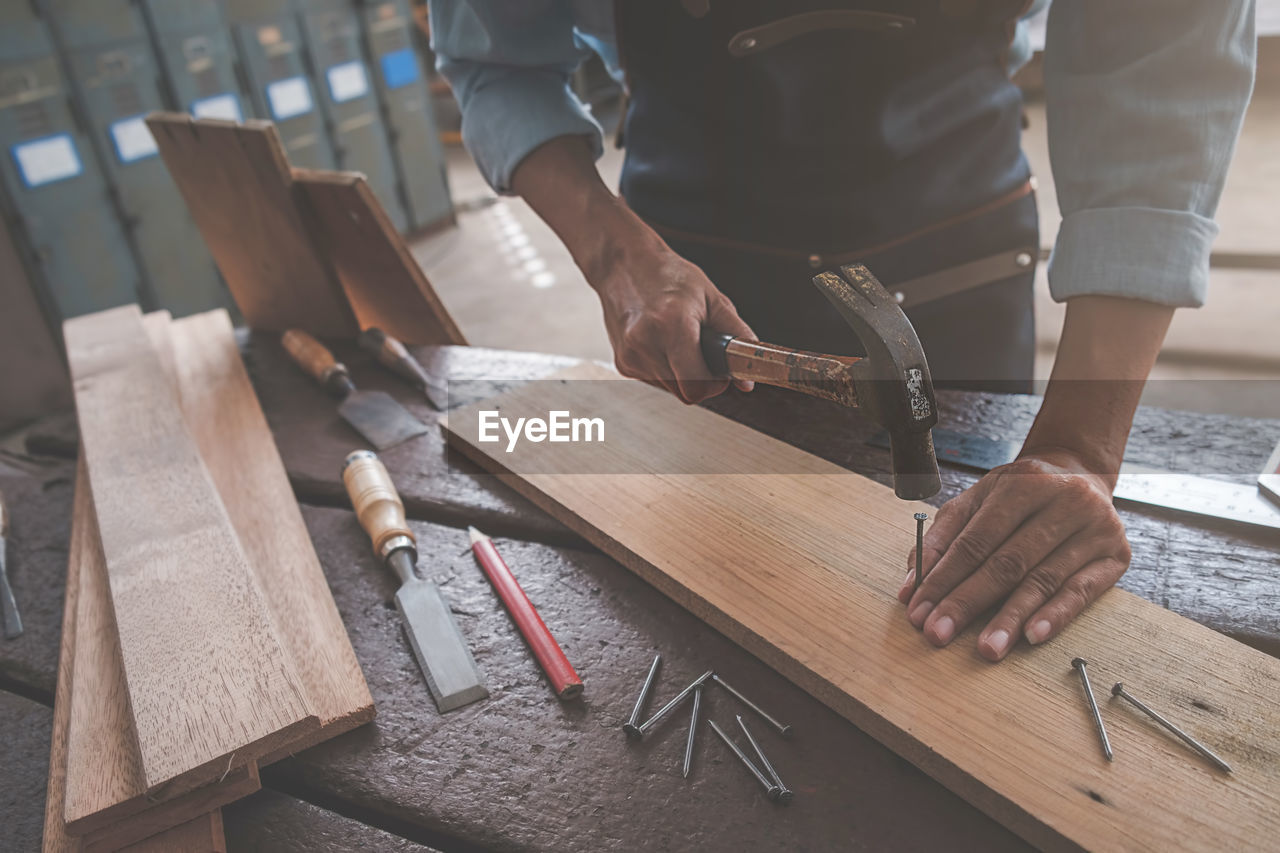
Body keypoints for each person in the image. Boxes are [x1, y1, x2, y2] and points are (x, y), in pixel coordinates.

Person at [429, 1, 1256, 660]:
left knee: (949, 634)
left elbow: (1166, 56)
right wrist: (617, 255)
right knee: (709, 620)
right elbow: (494, 63)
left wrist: (1079, 443)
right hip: (694, 255)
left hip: (962, 236)